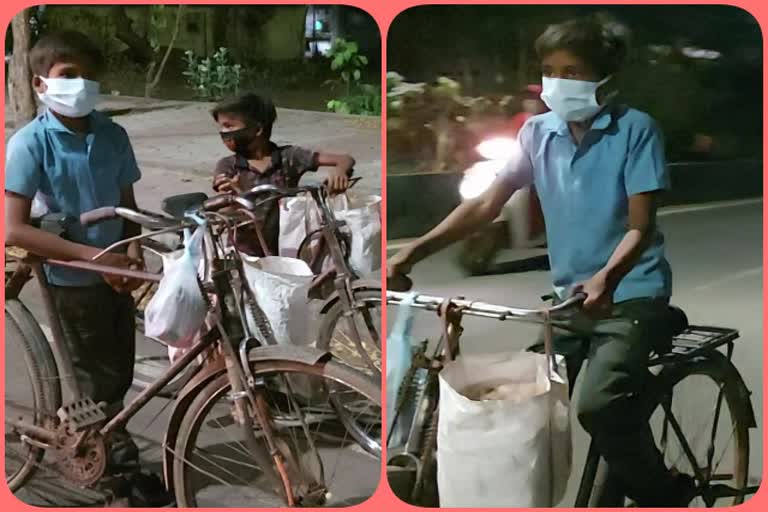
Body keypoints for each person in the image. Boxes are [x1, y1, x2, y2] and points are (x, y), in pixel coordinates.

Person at [388, 14, 696, 507]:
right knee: (521, 403)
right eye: (551, 69)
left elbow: (641, 225)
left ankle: (665, 492)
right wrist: (412, 251)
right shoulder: (537, 132)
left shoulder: (636, 130)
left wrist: (606, 278)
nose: (558, 81)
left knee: (598, 406)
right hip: (568, 304)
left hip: (632, 296)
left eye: (572, 71)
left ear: (605, 77)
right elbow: (485, 205)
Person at [4, 30, 168, 505]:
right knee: (94, 379)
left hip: (117, 272)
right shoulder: (31, 143)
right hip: (70, 276)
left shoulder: (112, 135)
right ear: (40, 85)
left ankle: (111, 445)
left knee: (117, 370)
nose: (81, 85)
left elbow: (127, 205)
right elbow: (14, 229)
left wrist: (132, 252)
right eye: (68, 76)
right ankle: (113, 469)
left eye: (89, 77)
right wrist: (96, 259)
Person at [210, 93, 355, 256]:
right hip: (246, 251)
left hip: (289, 244)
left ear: (257, 129)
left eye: (229, 126)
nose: (223, 133)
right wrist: (238, 193)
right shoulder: (228, 166)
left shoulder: (289, 157)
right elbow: (224, 211)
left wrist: (339, 171)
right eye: (221, 128)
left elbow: (345, 159)